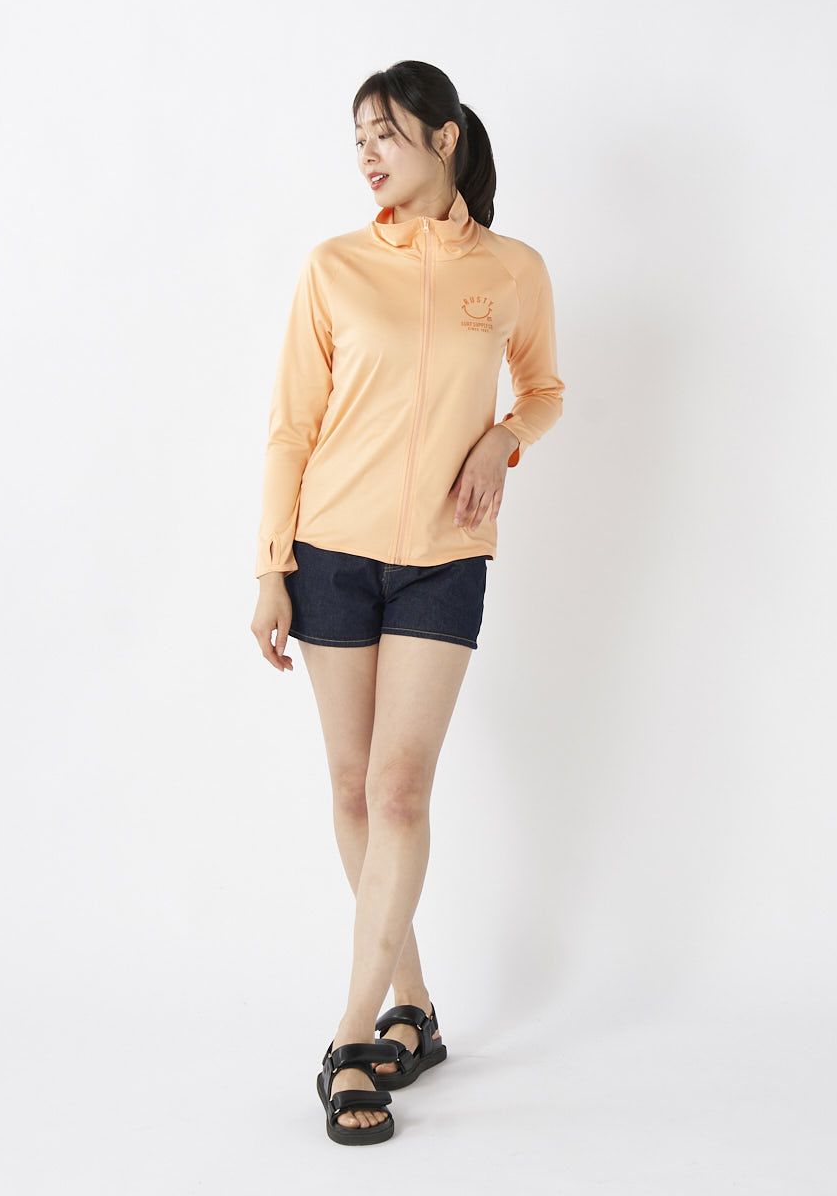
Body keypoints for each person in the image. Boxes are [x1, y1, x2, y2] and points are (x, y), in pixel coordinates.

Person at [249, 59, 565, 1145]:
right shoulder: (333, 267)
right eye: (357, 140)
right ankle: (412, 1006)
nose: (368, 156)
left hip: (444, 557)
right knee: (351, 787)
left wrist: (502, 438)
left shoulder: (512, 270)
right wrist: (270, 567)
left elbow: (544, 389)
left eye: (385, 133)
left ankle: (351, 1038)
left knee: (398, 788)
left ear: (445, 138)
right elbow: (291, 425)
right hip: (330, 552)